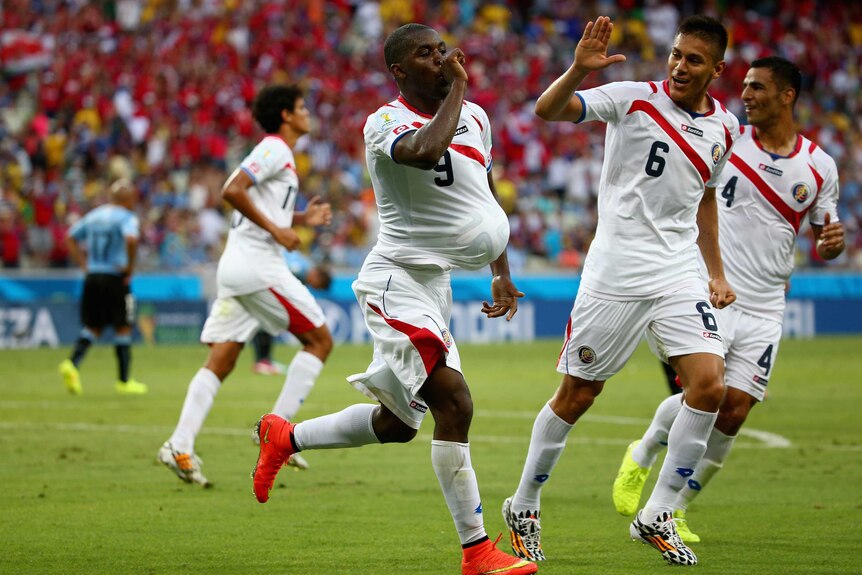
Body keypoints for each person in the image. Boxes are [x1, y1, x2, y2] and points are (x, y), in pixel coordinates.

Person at [251, 23, 536, 575]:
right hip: (396, 281)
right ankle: (477, 552)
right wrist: (457, 89)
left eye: (442, 49)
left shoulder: (475, 116)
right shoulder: (385, 121)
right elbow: (427, 152)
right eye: (426, 55)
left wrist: (500, 268)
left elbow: (485, 190)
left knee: (399, 425)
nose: (441, 59)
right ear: (401, 70)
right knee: (455, 403)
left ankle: (285, 436)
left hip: (437, 284)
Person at [501, 15, 739, 567]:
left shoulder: (725, 129)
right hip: (616, 270)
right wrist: (577, 71)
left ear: (717, 70)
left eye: (695, 60)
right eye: (677, 54)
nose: (680, 65)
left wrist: (716, 271)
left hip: (678, 269)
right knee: (578, 396)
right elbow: (549, 110)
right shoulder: (633, 97)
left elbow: (704, 197)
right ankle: (525, 503)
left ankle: (656, 514)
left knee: (708, 386)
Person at [612, 56, 845, 542]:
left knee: (735, 410)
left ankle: (672, 509)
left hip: (766, 304)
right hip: (709, 288)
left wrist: (831, 244)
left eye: (758, 88)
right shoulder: (725, 135)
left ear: (786, 96)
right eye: (744, 86)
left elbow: (825, 234)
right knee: (708, 392)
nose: (747, 95)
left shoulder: (819, 166)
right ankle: (643, 455)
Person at [158, 84, 334, 486]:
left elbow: (262, 209)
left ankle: (179, 443)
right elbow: (231, 190)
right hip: (258, 267)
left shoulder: (280, 156)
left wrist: (301, 219)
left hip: (237, 266)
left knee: (223, 357)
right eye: (302, 107)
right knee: (320, 341)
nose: (308, 113)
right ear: (287, 116)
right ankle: (276, 434)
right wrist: (279, 229)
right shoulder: (274, 148)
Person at [58, 179, 147, 395]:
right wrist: (129, 267)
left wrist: (84, 264)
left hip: (93, 275)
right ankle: (124, 381)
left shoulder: (95, 215)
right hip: (115, 276)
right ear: (127, 199)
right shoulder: (127, 217)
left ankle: (72, 363)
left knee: (93, 326)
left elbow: (70, 236)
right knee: (123, 326)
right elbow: (132, 239)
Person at [252, 251, 332, 376]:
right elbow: (275, 271)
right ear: (317, 275)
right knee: (264, 323)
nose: (314, 287)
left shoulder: (303, 270)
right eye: (318, 285)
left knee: (266, 322)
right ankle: (262, 361)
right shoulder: (299, 268)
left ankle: (264, 360)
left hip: (261, 286)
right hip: (259, 284)